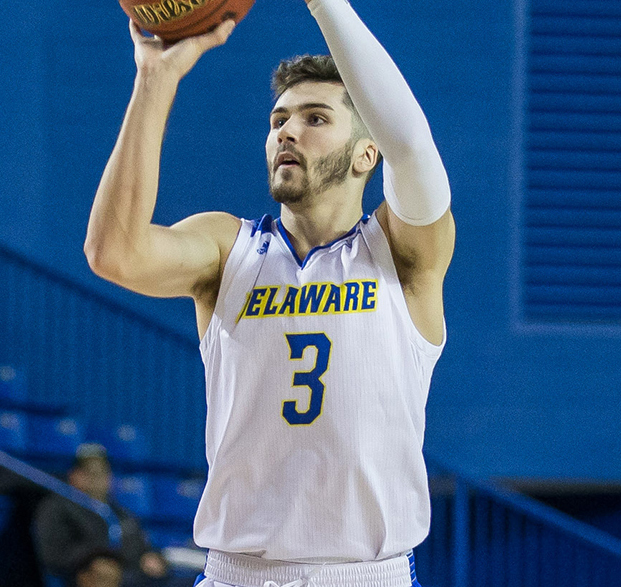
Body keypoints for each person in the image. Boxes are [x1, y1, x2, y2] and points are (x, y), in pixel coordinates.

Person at [84, 0, 454, 583]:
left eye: (315, 118)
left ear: (366, 152)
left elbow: (410, 145)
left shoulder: (400, 254)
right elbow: (114, 254)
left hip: (362, 574)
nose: (287, 131)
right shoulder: (228, 250)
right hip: (238, 573)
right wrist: (154, 78)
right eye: (279, 119)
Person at [35, 444, 169, 587]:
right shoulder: (57, 508)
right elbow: (53, 555)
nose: (97, 479)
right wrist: (95, 559)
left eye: (103, 472)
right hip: (81, 577)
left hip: (130, 576)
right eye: (91, 472)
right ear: (74, 475)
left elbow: (143, 547)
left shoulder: (121, 513)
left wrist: (153, 558)